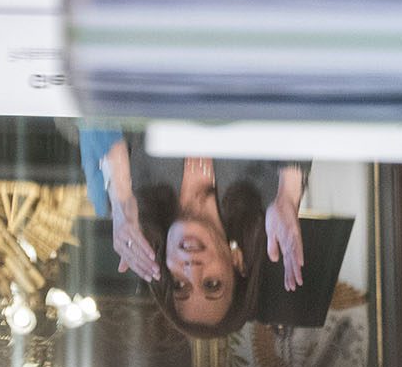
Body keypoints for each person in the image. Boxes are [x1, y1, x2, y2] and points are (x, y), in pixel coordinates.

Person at [84, 128, 306, 339]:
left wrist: (120, 189)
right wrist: (288, 190)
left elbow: (77, 111)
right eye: (211, 284)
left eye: (180, 285)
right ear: (238, 262)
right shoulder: (271, 191)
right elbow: (299, 99)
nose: (191, 270)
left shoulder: (121, 202)